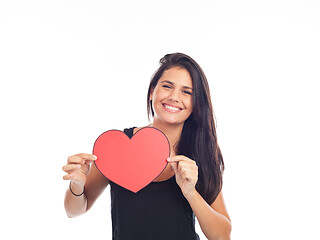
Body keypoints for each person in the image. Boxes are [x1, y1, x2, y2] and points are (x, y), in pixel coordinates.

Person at [63, 53, 232, 240]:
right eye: (167, 86)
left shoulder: (200, 151)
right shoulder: (116, 146)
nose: (174, 97)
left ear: (196, 103)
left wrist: (191, 193)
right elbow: (74, 210)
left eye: (187, 92)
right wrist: (77, 185)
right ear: (152, 91)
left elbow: (222, 236)